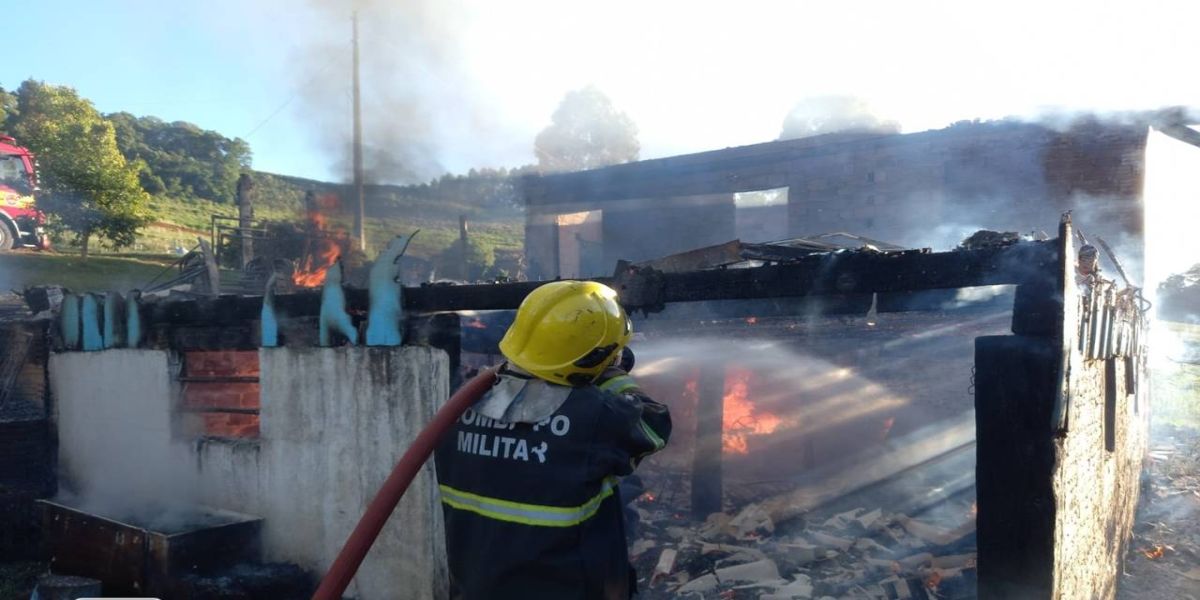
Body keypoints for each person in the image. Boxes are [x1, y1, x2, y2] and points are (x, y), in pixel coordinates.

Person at [435, 280, 672, 600]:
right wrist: (614, 378)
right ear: (591, 359)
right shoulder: (593, 417)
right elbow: (654, 426)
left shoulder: (459, 407)